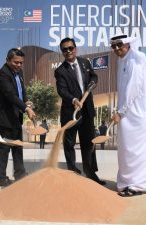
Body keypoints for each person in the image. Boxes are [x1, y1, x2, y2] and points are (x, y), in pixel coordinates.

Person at [111, 34, 146, 196]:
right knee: (129, 148)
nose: (117, 48)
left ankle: (137, 185)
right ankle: (132, 182)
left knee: (138, 149)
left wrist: (120, 112)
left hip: (142, 114)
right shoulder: (123, 61)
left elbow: (132, 90)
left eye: (120, 44)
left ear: (129, 44)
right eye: (114, 46)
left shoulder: (134, 62)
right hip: (132, 112)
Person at [54, 37, 105, 185]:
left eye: (71, 48)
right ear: (62, 52)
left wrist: (93, 81)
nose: (68, 51)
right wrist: (74, 100)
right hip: (71, 113)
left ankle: (90, 173)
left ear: (75, 48)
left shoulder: (85, 63)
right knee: (69, 144)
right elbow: (62, 90)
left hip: (87, 110)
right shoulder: (60, 71)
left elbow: (93, 76)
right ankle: (72, 172)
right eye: (65, 49)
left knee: (89, 143)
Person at [0, 48, 36, 187]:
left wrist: (26, 102)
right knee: (4, 148)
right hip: (5, 117)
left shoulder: (19, 72)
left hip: (16, 116)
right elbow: (10, 95)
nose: (19, 65)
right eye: (16, 62)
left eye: (21, 63)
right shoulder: (2, 74)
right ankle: (1, 178)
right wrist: (26, 108)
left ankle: (20, 174)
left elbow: (21, 90)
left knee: (17, 147)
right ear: (7, 60)